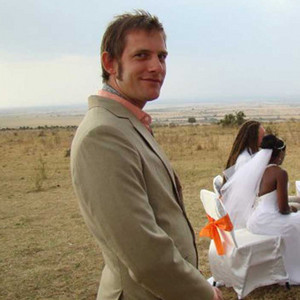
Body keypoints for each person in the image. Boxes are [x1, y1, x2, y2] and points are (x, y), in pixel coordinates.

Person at [71, 10, 222, 300]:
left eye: (162, 56)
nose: (156, 67)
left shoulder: (126, 123)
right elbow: (144, 254)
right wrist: (203, 294)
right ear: (110, 63)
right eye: (141, 56)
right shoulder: (102, 135)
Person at [246, 135, 300, 284]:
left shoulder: (258, 170)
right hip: (270, 219)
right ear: (280, 153)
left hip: (255, 220)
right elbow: (283, 208)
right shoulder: (280, 173)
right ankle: (294, 268)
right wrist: (293, 209)